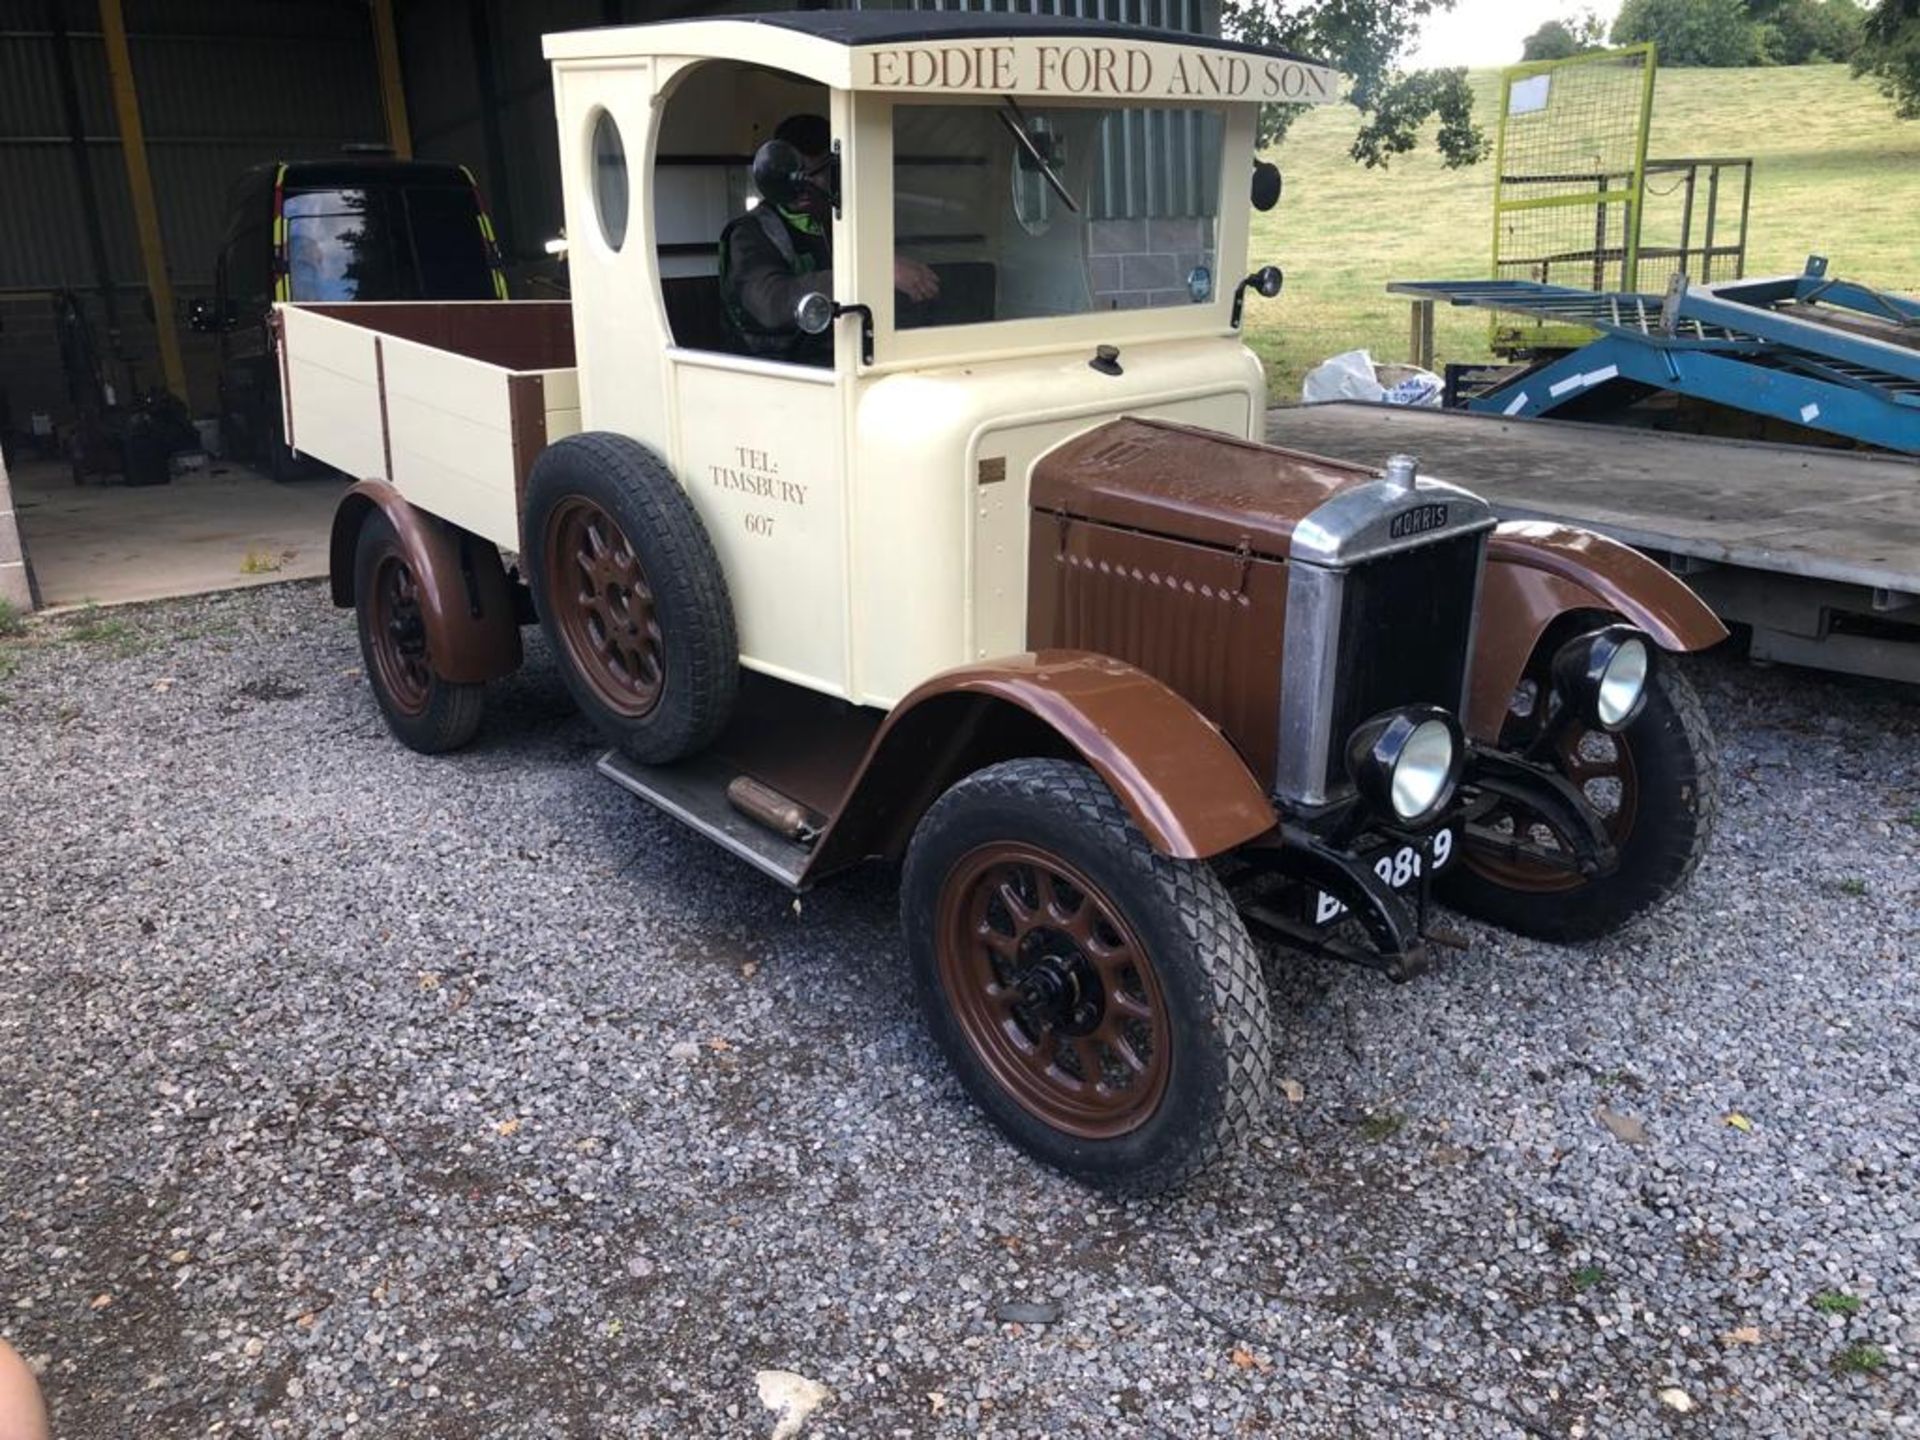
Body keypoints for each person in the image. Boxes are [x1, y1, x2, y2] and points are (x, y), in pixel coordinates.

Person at [719, 113, 939, 364]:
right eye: (794, 174)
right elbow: (771, 303)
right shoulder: (749, 233)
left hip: (853, 358)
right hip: (780, 371)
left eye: (815, 173)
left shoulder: (850, 221)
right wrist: (877, 272)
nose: (804, 185)